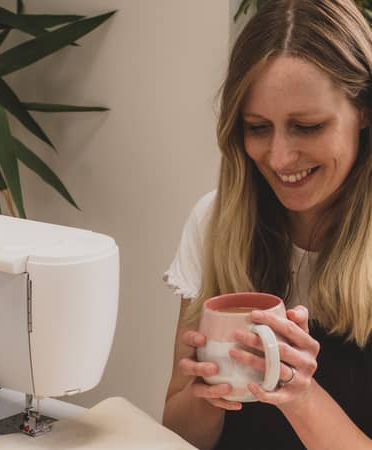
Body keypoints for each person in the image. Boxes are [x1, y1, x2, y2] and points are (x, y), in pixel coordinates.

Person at [161, 1, 372, 449]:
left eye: (307, 126)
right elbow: (180, 439)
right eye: (257, 128)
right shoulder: (215, 223)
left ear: (365, 113)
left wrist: (300, 396)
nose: (278, 158)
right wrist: (204, 392)